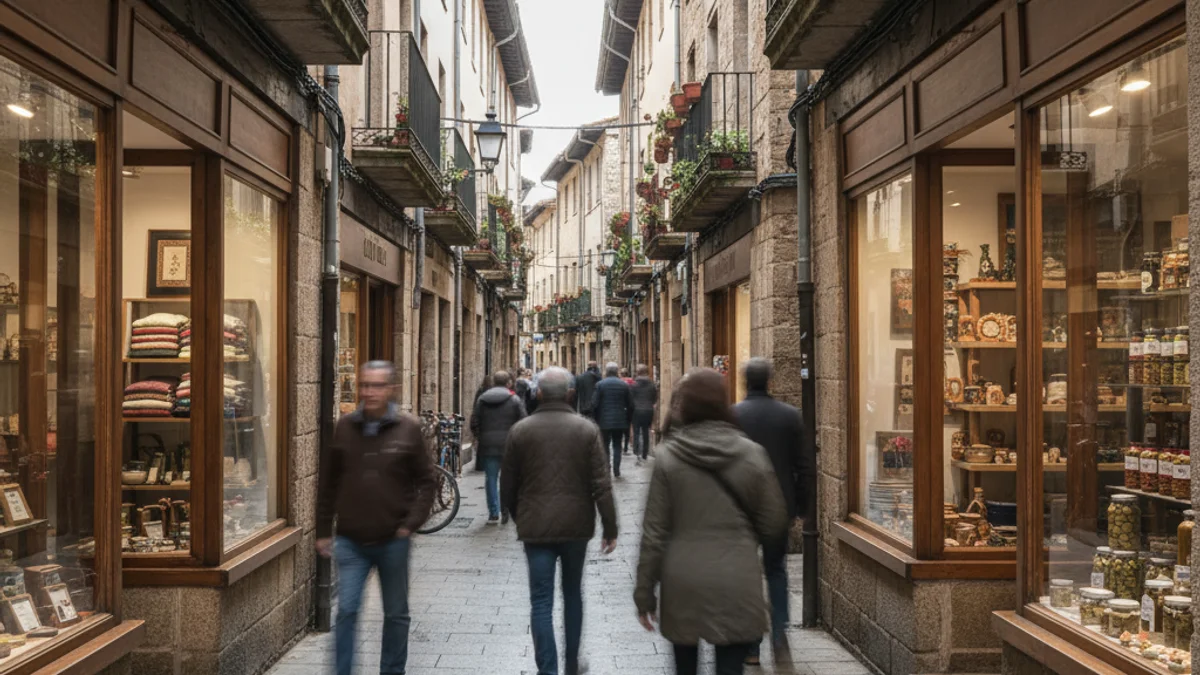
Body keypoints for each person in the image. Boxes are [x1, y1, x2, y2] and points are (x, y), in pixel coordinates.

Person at [634, 369, 787, 675]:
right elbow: (774, 523)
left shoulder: (666, 458)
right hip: (736, 576)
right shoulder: (752, 454)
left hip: (683, 580)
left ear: (685, 406)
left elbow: (654, 533)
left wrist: (644, 593)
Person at [316, 361, 436, 675]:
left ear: (391, 389)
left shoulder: (408, 428)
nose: (369, 392)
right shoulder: (345, 426)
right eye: (365, 385)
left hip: (393, 540)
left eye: (377, 385)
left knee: (396, 614)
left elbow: (427, 481)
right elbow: (329, 481)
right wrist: (323, 529)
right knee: (347, 611)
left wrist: (410, 524)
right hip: (350, 539)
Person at [501, 367, 619, 675]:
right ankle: (570, 664)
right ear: (570, 394)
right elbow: (601, 484)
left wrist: (518, 515)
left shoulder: (521, 431)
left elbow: (508, 484)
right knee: (572, 595)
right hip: (576, 528)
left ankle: (548, 669)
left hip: (535, 528)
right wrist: (610, 527)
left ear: (539, 394)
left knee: (541, 600)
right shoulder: (587, 430)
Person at [733, 358, 807, 665]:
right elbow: (803, 466)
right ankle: (779, 635)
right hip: (779, 506)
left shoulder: (732, 415)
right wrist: (801, 506)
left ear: (745, 382)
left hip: (742, 507)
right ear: (771, 382)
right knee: (776, 571)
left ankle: (750, 646)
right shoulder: (789, 416)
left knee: (746, 575)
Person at [471, 370, 527, 523]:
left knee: (490, 478)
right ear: (508, 383)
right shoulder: (514, 399)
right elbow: (523, 422)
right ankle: (505, 509)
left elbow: (474, 421)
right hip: (509, 445)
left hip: (488, 445)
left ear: (494, 382)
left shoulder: (482, 399)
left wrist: (479, 436)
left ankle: (493, 513)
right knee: (508, 478)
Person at [592, 362, 634, 477]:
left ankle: (607, 468)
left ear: (606, 371)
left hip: (604, 421)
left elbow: (594, 404)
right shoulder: (623, 385)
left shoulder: (600, 385)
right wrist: (628, 419)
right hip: (620, 421)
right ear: (616, 372)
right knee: (617, 445)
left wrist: (596, 419)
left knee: (605, 445)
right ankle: (616, 469)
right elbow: (630, 405)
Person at [630, 364, 658, 465]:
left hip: (636, 411)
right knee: (646, 432)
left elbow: (630, 399)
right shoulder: (652, 385)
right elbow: (655, 398)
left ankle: (637, 452)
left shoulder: (634, 385)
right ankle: (645, 454)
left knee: (636, 432)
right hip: (648, 410)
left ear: (638, 372)